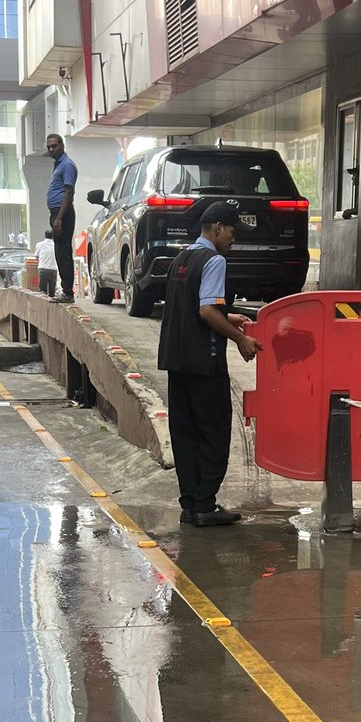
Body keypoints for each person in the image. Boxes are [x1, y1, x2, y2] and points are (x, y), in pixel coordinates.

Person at [157, 201, 262, 527]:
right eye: (232, 231)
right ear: (217, 228)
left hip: (177, 361)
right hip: (205, 362)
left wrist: (227, 314)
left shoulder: (181, 259)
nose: (234, 238)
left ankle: (191, 505)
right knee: (215, 434)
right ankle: (205, 504)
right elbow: (204, 312)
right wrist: (239, 338)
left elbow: (193, 306)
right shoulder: (214, 260)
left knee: (185, 435)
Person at [45, 133, 78, 303]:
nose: (51, 149)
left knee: (63, 253)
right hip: (57, 213)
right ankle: (65, 291)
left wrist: (59, 218)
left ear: (62, 146)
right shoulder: (58, 165)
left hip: (62, 214)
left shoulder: (67, 165)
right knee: (59, 253)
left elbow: (69, 192)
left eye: (54, 146)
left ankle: (67, 292)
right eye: (49, 146)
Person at [35, 229, 58, 297]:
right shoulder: (56, 245)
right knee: (52, 293)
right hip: (53, 270)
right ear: (53, 236)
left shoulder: (39, 245)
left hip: (43, 269)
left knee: (42, 292)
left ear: (44, 235)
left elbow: (36, 256)